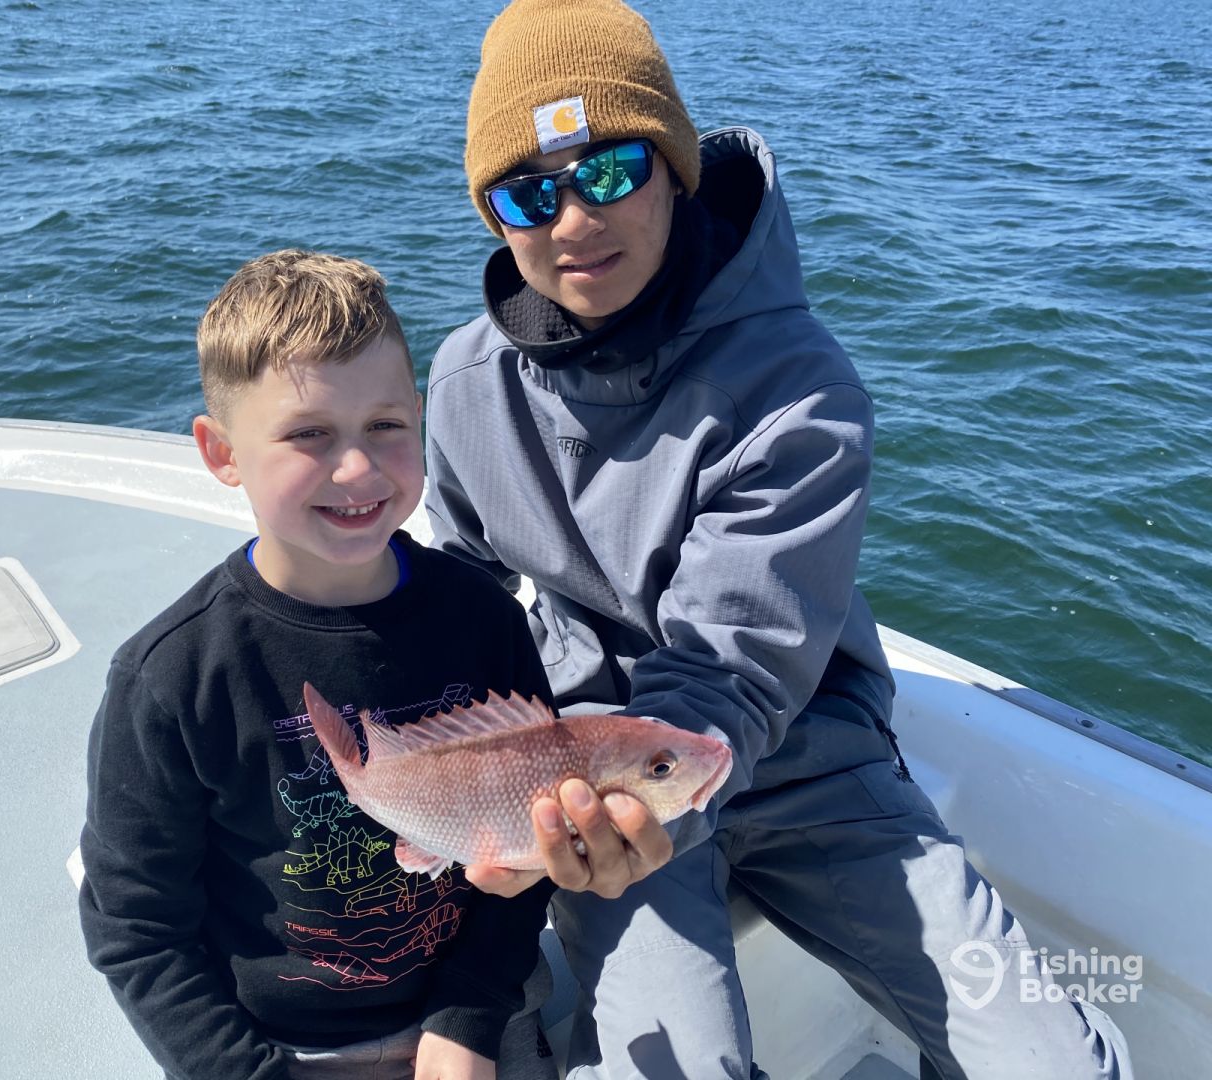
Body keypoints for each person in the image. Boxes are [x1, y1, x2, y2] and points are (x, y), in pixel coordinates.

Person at [423, 2, 1132, 1077]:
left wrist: (638, 795)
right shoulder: (464, 385)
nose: (572, 219)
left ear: (674, 169)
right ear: (495, 218)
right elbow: (460, 604)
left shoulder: (804, 389)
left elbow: (732, 674)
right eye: (528, 193)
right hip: (591, 768)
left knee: (1053, 1063)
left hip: (800, 754)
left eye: (609, 170)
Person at [78, 250, 558, 1080]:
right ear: (222, 452)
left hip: (481, 1013)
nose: (358, 468)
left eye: (386, 426)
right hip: (280, 1050)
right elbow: (137, 928)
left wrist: (469, 1019)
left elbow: (529, 838)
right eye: (309, 434)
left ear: (420, 416)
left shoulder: (485, 618)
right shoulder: (173, 676)